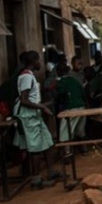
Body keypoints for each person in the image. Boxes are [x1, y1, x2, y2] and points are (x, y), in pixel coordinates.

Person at [13, 50, 61, 188]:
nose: (40, 63)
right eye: (38, 60)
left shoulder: (30, 75)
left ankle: (51, 171)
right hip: (29, 116)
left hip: (35, 115)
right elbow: (24, 100)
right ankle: (36, 180)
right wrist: (42, 107)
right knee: (35, 148)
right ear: (33, 62)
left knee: (48, 141)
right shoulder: (26, 77)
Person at [56, 60, 88, 153]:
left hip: (71, 107)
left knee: (65, 130)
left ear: (59, 72)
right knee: (80, 129)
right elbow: (83, 93)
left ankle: (67, 152)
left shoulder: (62, 81)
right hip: (82, 106)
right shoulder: (75, 80)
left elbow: (61, 94)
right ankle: (84, 149)